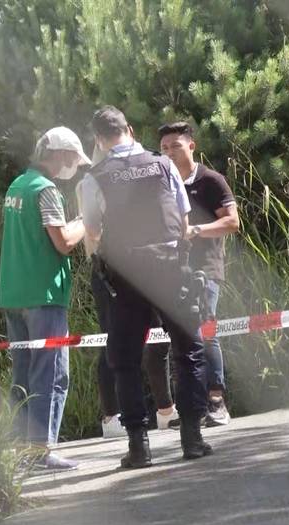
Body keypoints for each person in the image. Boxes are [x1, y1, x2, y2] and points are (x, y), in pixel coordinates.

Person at [79, 106, 211, 467]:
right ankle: (192, 439)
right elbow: (183, 220)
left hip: (127, 275)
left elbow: (92, 231)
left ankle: (139, 448)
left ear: (99, 141)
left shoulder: (94, 177)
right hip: (171, 267)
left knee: (124, 360)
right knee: (189, 350)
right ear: (130, 130)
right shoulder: (164, 164)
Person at [0, 126, 90, 470]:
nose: (74, 167)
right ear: (61, 156)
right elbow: (63, 241)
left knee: (23, 374)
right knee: (51, 374)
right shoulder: (45, 189)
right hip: (43, 294)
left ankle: (23, 451)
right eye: (73, 160)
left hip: (13, 294)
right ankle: (42, 450)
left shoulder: (17, 185)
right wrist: (85, 220)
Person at [79, 147, 178, 439]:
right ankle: (113, 418)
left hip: (148, 264)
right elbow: (92, 231)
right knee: (117, 346)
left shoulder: (147, 169)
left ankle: (165, 412)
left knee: (159, 341)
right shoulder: (92, 180)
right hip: (112, 271)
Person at [158, 122, 240, 427]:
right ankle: (192, 407)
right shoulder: (163, 183)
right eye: (164, 148)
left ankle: (216, 400)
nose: (169, 152)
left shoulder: (211, 181)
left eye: (175, 146)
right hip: (173, 270)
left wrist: (196, 231)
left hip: (206, 270)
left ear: (191, 145)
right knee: (180, 336)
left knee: (206, 332)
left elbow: (232, 223)